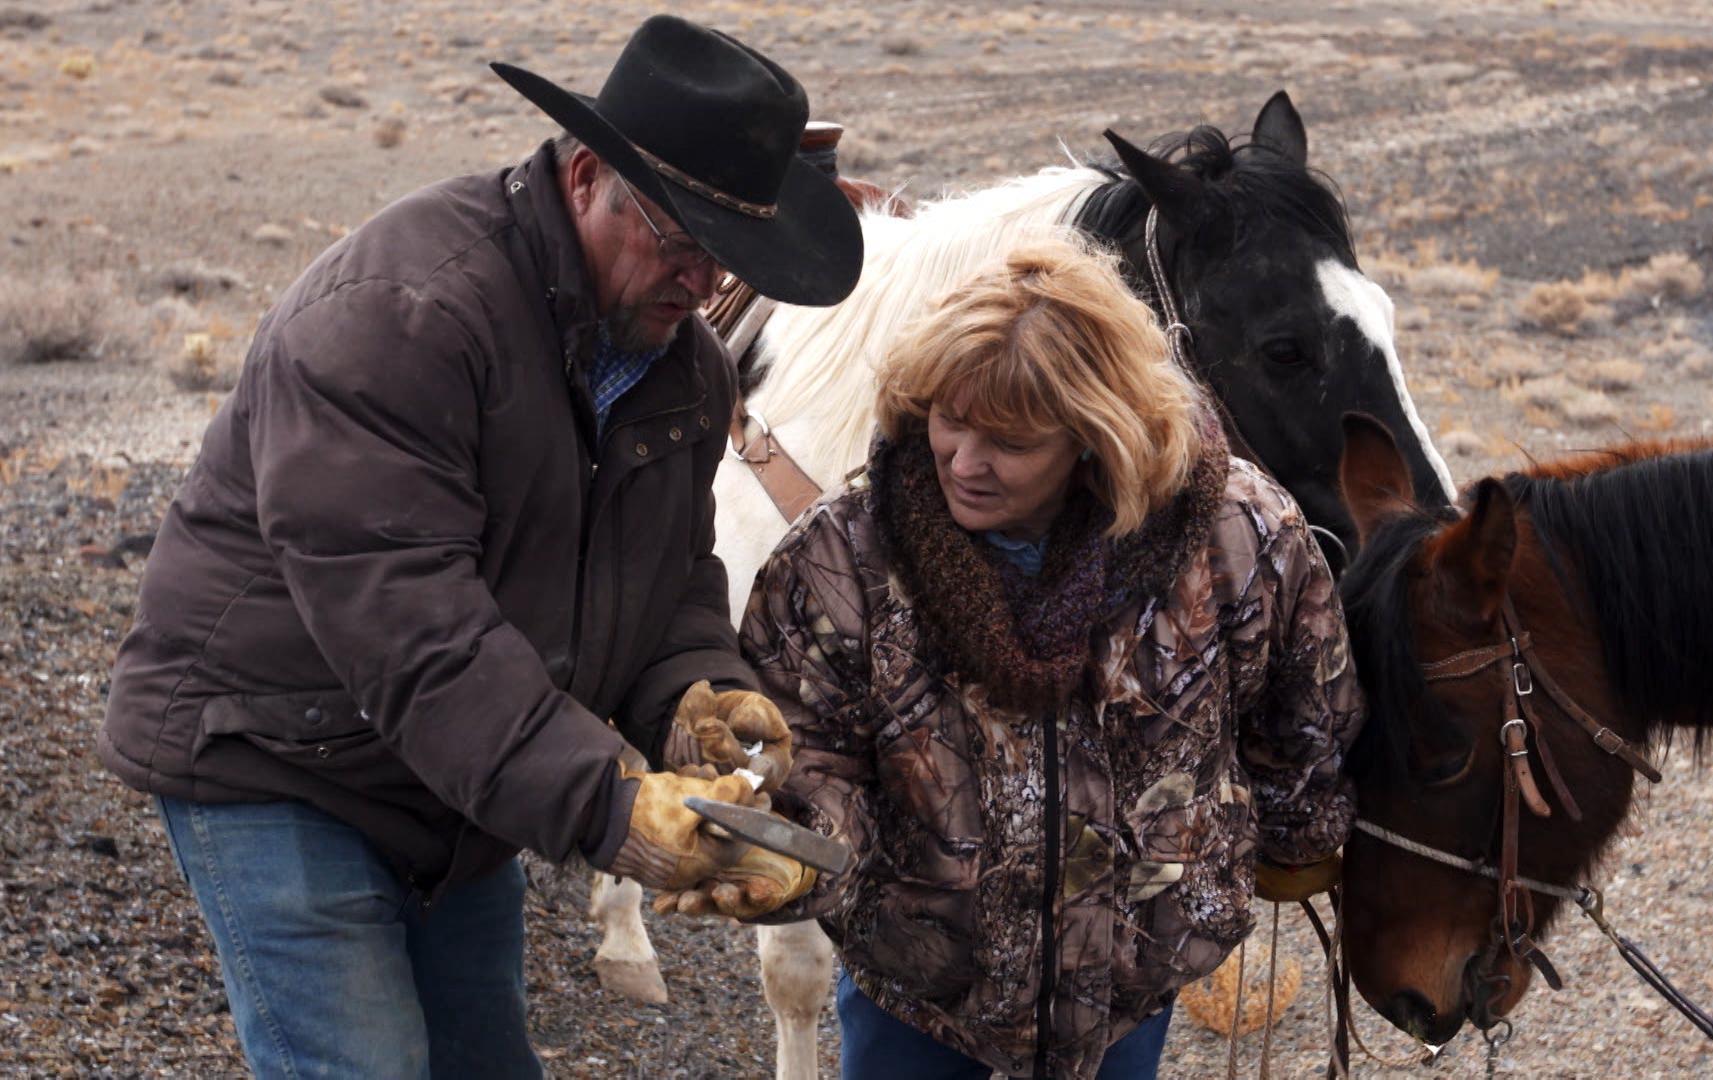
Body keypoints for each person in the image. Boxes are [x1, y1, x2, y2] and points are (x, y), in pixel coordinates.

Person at [96, 16, 860, 1078]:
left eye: (726, 261)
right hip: (276, 754)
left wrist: (697, 701)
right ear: (588, 174)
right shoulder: (402, 321)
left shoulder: (682, 370)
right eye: (679, 240)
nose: (700, 283)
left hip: (456, 773)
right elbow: (412, 628)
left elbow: (671, 581)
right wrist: (612, 807)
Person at [656, 235, 1361, 1080]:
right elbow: (806, 754)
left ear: (1097, 435)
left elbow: (1303, 709)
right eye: (949, 420)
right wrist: (784, 853)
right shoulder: (848, 556)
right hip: (918, 996)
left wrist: (1285, 841)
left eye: (1012, 442)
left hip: (1127, 985)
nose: (964, 461)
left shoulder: (1234, 539)